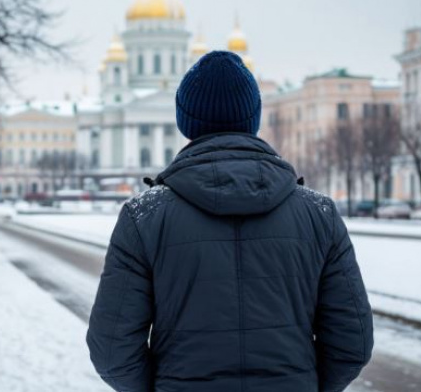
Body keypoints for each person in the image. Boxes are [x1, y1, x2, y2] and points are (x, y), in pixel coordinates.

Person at [86, 51, 373, 392]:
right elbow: (352, 343)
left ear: (185, 121)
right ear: (253, 118)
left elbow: (111, 351)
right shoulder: (318, 213)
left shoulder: (145, 216)